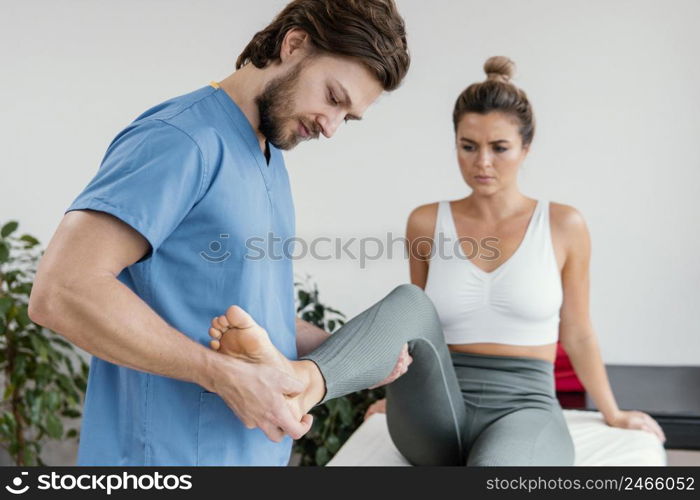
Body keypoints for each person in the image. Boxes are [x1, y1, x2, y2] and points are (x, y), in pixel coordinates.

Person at [208, 56, 667, 465]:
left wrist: (613, 412)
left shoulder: (564, 225)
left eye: (499, 147)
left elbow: (579, 330)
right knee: (410, 298)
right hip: (437, 409)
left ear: (525, 148)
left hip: (524, 407)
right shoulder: (427, 222)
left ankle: (306, 381)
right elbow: (416, 324)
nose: (482, 162)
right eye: (468, 146)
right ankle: (304, 383)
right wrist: (399, 394)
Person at [28, 0, 411, 466]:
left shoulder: (269, 155)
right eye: (333, 97)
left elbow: (233, 304)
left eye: (347, 118)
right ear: (294, 45)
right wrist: (221, 375)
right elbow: (63, 289)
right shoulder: (182, 138)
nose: (331, 128)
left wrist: (342, 353)